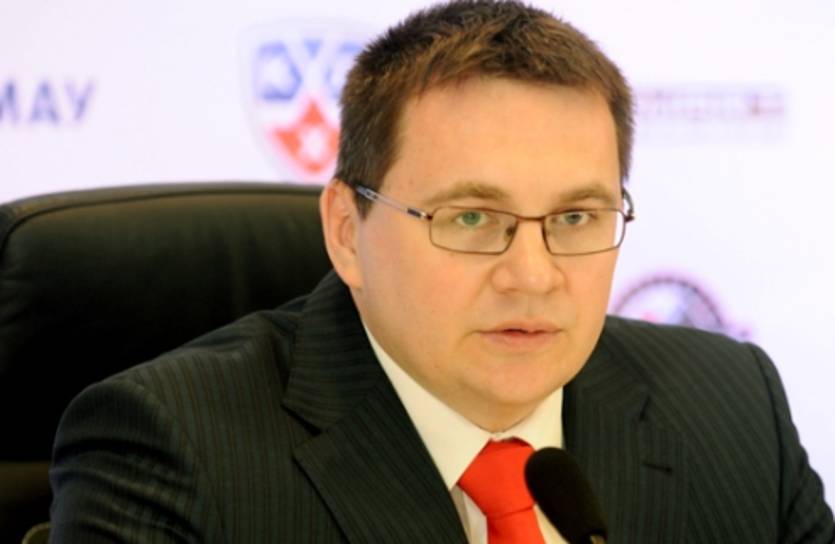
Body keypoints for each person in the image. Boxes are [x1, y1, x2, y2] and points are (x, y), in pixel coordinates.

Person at [50, 1, 834, 542]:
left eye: (574, 219)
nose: (533, 276)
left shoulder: (731, 408)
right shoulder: (172, 449)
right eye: (470, 219)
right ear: (346, 232)